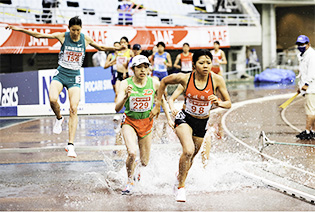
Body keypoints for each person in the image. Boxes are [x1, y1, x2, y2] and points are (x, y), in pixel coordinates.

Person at [6, 16, 125, 158]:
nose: (76, 33)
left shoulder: (84, 39)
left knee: (74, 108)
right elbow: (39, 35)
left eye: (78, 30)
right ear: (69, 28)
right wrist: (18, 29)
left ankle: (70, 145)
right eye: (73, 30)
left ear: (81, 29)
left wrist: (116, 48)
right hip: (61, 73)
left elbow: (101, 47)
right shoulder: (62, 36)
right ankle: (59, 118)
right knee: (52, 99)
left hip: (74, 77)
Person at [150, 50, 231, 202]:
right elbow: (164, 82)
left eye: (208, 62)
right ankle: (181, 187)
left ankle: (179, 176)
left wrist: (218, 102)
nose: (206, 66)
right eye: (202, 63)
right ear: (194, 65)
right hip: (185, 118)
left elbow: (228, 103)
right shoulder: (185, 78)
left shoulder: (217, 80)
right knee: (188, 150)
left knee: (191, 157)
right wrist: (157, 104)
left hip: (202, 122)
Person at [115, 55, 173, 195]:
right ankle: (129, 181)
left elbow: (162, 100)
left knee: (145, 162)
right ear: (133, 69)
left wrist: (169, 118)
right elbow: (117, 108)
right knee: (132, 152)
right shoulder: (125, 83)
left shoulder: (154, 83)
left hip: (146, 123)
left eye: (145, 67)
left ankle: (137, 171)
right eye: (139, 67)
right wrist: (125, 97)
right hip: (129, 122)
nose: (142, 70)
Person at [295, 35, 315, 140]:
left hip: (311, 87)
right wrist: (300, 85)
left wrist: (306, 84)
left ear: (308, 44)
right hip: (309, 86)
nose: (300, 46)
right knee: (313, 110)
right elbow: (303, 72)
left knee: (310, 111)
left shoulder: (311, 55)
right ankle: (313, 131)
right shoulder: (304, 55)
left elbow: (312, 72)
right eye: (299, 44)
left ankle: (307, 132)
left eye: (302, 44)